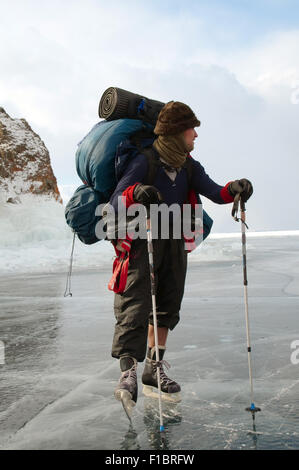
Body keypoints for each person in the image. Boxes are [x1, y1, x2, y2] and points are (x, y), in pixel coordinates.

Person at [107, 101, 253, 409]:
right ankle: (127, 373)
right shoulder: (145, 161)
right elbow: (117, 199)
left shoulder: (188, 165)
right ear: (176, 132)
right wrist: (136, 193)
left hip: (173, 241)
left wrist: (236, 188)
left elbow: (216, 192)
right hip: (141, 239)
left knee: (167, 304)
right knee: (135, 304)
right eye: (192, 129)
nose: (196, 135)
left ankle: (153, 368)